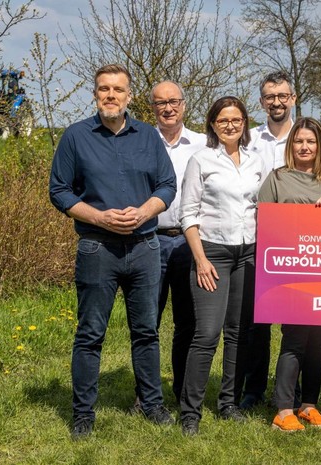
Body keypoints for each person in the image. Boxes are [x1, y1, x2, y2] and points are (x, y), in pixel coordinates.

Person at [49, 64, 177, 440]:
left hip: (145, 247)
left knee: (146, 332)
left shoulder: (148, 136)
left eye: (118, 89)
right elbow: (59, 190)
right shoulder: (76, 136)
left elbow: (167, 185)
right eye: (104, 89)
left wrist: (145, 211)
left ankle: (151, 404)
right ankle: (83, 414)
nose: (111, 95)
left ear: (129, 96)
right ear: (95, 94)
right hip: (97, 248)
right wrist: (99, 217)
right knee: (90, 334)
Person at [179, 96, 265, 436]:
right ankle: (190, 412)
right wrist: (200, 259)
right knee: (207, 333)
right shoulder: (201, 160)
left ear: (245, 123)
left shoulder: (256, 161)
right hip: (212, 253)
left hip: (248, 253)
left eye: (236, 119)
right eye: (223, 120)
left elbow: (265, 205)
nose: (230, 125)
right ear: (213, 124)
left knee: (239, 332)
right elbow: (188, 213)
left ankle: (229, 402)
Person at [259, 117, 321, 431]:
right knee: (294, 338)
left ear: (320, 146)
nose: (305, 147)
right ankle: (283, 410)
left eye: (311, 141)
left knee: (318, 341)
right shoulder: (277, 178)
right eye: (299, 141)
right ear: (291, 145)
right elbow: (264, 221)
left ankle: (308, 405)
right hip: (290, 273)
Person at [239, 71, 297, 410]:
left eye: (282, 96)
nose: (277, 102)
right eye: (270, 97)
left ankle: (293, 388)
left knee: (296, 320)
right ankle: (254, 387)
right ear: (262, 102)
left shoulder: (306, 136)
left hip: (297, 242)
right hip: (256, 238)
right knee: (255, 320)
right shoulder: (248, 140)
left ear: (293, 99)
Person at [149, 80, 207, 403]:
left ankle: (183, 389)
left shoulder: (202, 144)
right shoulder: (142, 142)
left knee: (188, 321)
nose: (168, 108)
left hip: (189, 243)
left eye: (173, 102)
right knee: (148, 321)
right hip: (150, 240)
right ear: (153, 108)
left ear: (184, 104)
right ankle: (146, 393)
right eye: (161, 103)